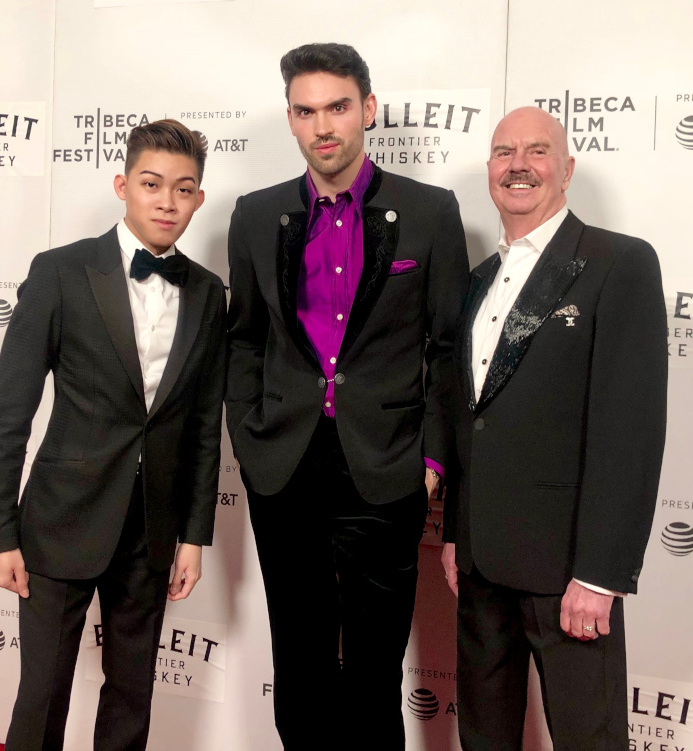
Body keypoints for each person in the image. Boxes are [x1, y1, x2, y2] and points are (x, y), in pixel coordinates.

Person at [225, 43, 468, 751]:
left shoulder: (428, 212)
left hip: (386, 466)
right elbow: (243, 340)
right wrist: (250, 436)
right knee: (298, 666)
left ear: (367, 109)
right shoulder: (254, 214)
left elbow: (448, 348)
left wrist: (433, 459)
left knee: (372, 671)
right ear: (291, 120)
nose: (322, 125)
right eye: (306, 111)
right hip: (284, 468)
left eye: (337, 106)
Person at [0, 119, 226, 751]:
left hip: (153, 528)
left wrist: (194, 534)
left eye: (184, 188)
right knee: (43, 696)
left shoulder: (208, 293)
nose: (167, 200)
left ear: (198, 199)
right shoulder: (60, 271)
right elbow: (9, 411)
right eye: (151, 183)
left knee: (132, 698)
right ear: (122, 185)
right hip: (60, 522)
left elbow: (201, 425)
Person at [441, 106, 668, 750]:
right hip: (481, 562)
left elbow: (632, 429)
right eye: (503, 151)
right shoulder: (479, 279)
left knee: (588, 740)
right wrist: (459, 531)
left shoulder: (616, 263)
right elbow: (471, 419)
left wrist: (601, 573)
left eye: (536, 151)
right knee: (485, 738)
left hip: (569, 567)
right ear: (489, 170)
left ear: (566, 169)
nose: (518, 164)